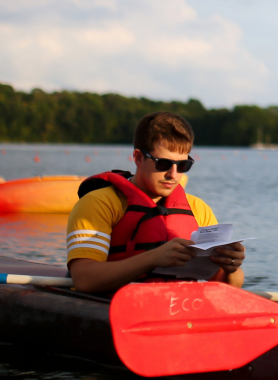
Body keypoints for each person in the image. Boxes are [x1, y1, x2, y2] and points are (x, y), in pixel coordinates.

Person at [66, 112, 245, 294]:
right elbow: (84, 279)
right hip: (114, 306)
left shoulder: (198, 209)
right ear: (138, 158)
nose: (173, 175)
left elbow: (226, 285)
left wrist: (232, 267)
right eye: (163, 163)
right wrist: (152, 258)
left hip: (177, 309)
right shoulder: (99, 203)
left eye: (182, 166)